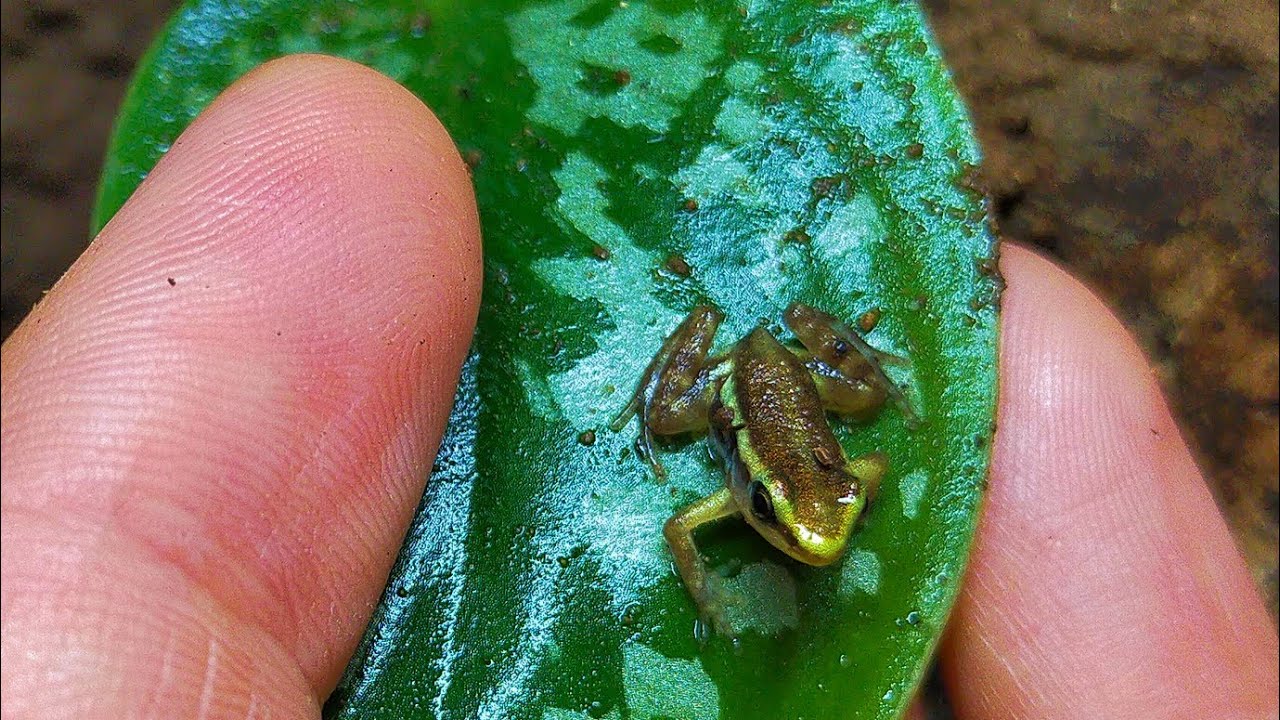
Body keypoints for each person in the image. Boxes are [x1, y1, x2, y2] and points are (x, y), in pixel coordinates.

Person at [1, 55, 1275, 719]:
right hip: (738, 384)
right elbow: (693, 522)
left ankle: (810, 340)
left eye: (814, 515)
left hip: (790, 393)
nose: (812, 534)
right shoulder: (734, 492)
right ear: (756, 498)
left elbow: (834, 480)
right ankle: (722, 335)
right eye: (784, 518)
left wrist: (822, 493)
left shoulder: (818, 490)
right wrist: (714, 584)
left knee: (858, 405)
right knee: (664, 420)